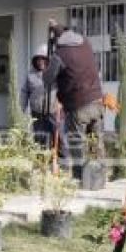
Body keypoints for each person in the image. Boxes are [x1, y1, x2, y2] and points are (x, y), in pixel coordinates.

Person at [42, 19, 105, 180]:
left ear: (57, 41)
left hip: (78, 105)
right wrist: (56, 26)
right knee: (97, 143)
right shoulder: (86, 44)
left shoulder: (60, 54)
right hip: (98, 101)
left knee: (78, 144)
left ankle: (81, 179)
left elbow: (48, 78)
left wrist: (48, 65)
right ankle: (100, 178)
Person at [20, 44, 67, 158]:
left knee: (59, 138)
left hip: (54, 112)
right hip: (37, 114)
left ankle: (63, 163)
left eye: (43, 59)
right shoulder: (31, 75)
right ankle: (42, 164)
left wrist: (63, 105)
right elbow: (24, 92)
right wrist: (21, 108)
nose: (40, 62)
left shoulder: (55, 73)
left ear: (48, 60)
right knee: (40, 140)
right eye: (38, 59)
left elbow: (65, 88)